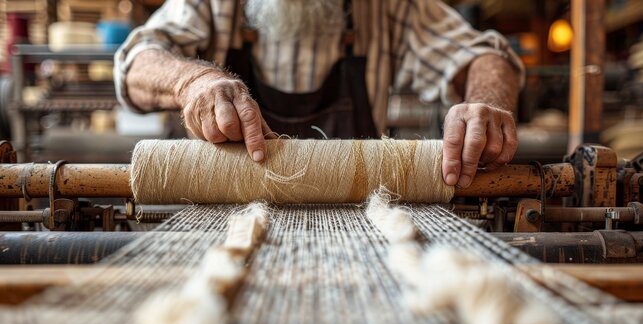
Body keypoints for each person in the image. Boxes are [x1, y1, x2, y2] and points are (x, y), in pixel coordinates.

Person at [115, 0, 523, 188]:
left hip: (363, 216)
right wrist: (192, 83)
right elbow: (135, 60)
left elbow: (484, 56)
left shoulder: (389, 7)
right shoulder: (214, 4)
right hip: (226, 217)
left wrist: (486, 102)